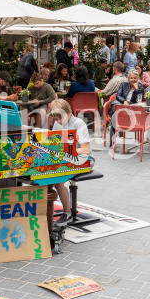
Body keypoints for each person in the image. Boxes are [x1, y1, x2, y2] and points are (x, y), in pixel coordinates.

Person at [48, 99, 94, 236]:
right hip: (66, 158)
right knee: (46, 174)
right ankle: (46, 209)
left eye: (60, 118)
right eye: (56, 118)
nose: (58, 121)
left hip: (84, 159)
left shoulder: (79, 124)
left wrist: (64, 153)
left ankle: (67, 212)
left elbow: (85, 150)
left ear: (69, 112)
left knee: (57, 180)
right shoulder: (57, 123)